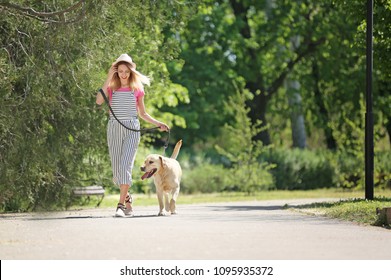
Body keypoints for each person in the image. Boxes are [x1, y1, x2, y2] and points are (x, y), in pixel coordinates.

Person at [96, 54, 169, 217]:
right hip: (114, 128)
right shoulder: (111, 87)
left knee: (125, 167)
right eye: (120, 71)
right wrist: (108, 76)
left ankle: (120, 206)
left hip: (131, 129)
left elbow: (142, 113)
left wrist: (158, 123)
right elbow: (99, 101)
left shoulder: (137, 89)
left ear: (130, 72)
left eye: (126, 71)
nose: (123, 74)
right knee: (117, 172)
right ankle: (128, 198)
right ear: (116, 71)